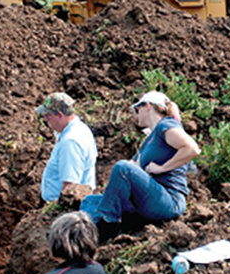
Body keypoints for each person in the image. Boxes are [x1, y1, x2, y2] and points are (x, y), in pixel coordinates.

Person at [80, 91, 200, 241]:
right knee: (90, 201)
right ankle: (87, 235)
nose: (135, 116)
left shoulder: (166, 124)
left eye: (137, 110)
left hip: (170, 200)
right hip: (148, 201)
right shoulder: (149, 140)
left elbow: (191, 149)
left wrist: (162, 168)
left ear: (148, 106)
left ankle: (107, 226)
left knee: (122, 168)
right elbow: (133, 169)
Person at [35, 92, 97, 203]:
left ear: (60, 115)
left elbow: (70, 186)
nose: (45, 119)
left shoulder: (70, 143)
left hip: (63, 207)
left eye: (48, 115)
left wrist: (56, 210)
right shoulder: (81, 129)